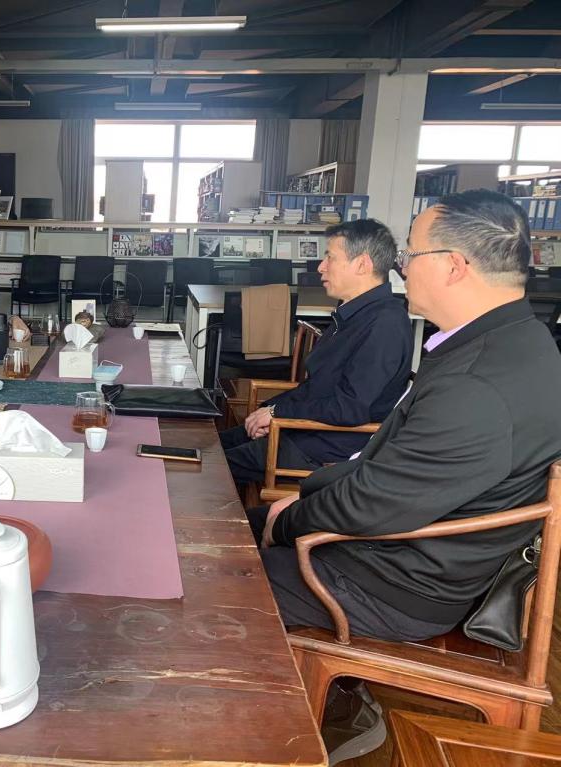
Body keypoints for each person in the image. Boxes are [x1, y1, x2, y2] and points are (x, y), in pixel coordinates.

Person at [248, 190, 561, 764]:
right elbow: (389, 473)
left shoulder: (478, 383)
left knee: (218, 577)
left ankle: (297, 725)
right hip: (415, 549)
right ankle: (338, 698)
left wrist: (287, 519)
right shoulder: (517, 341)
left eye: (410, 255)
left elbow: (370, 505)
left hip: (395, 582)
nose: (400, 268)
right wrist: (302, 500)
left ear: (454, 265)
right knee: (231, 529)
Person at [221, 218, 413, 484]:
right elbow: (317, 387)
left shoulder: (384, 325)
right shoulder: (353, 315)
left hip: (324, 446)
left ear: (362, 264)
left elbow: (349, 408)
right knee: (212, 444)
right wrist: (271, 409)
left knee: (208, 466)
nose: (321, 267)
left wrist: (277, 414)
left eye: (330, 258)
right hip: (303, 429)